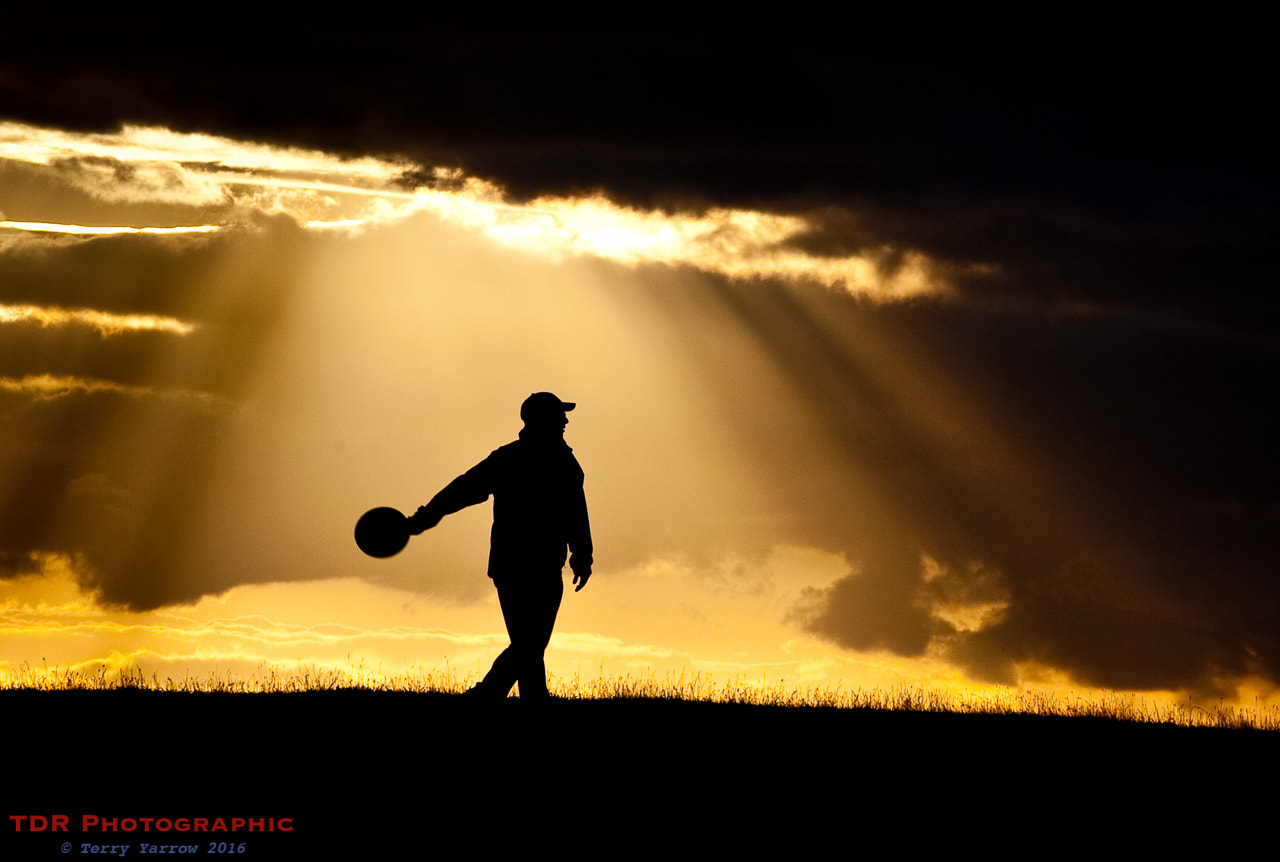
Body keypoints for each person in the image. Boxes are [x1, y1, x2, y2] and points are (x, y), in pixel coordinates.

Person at [407, 392, 592, 700]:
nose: (565, 420)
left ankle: (521, 697)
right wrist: (425, 517)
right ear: (541, 420)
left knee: (529, 643)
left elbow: (575, 512)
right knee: (530, 642)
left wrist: (582, 556)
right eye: (558, 415)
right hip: (520, 566)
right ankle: (490, 694)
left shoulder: (555, 461)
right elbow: (462, 489)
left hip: (535, 565)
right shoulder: (519, 459)